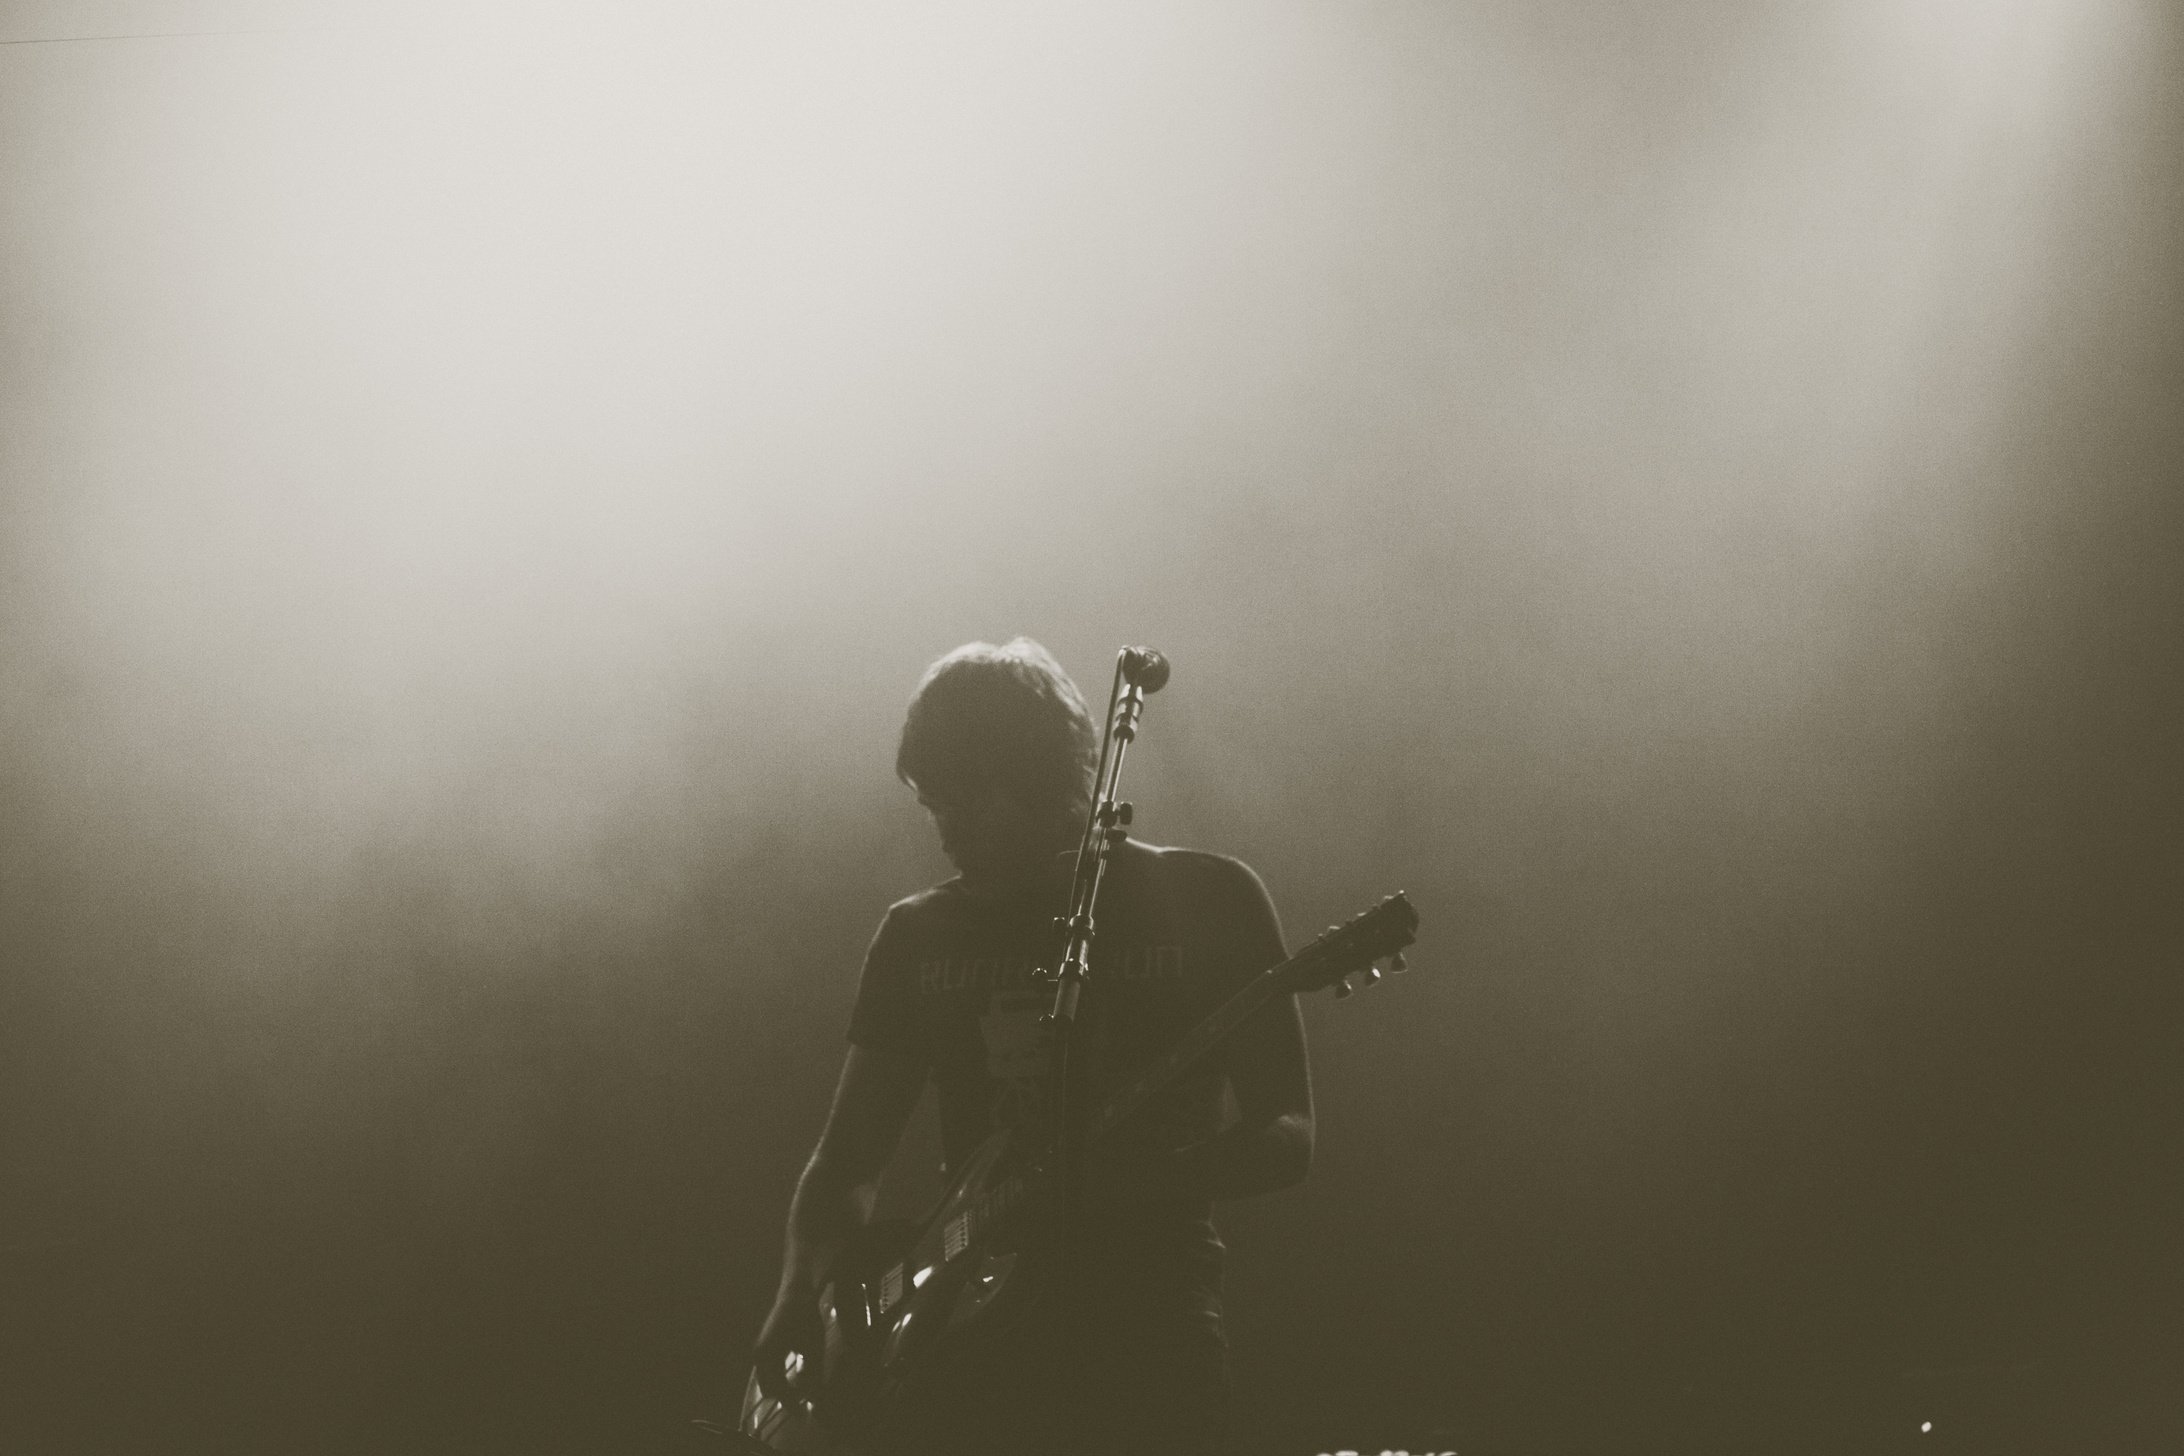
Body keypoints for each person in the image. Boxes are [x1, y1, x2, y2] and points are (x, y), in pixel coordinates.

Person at [751, 638, 1313, 1456]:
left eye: (963, 802)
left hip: (1151, 1334)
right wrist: (798, 1288)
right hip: (965, 1351)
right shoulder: (918, 935)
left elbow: (1289, 1135)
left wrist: (1120, 1182)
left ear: (1038, 776)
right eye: (931, 805)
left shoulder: (1207, 899)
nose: (944, 829)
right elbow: (847, 1163)